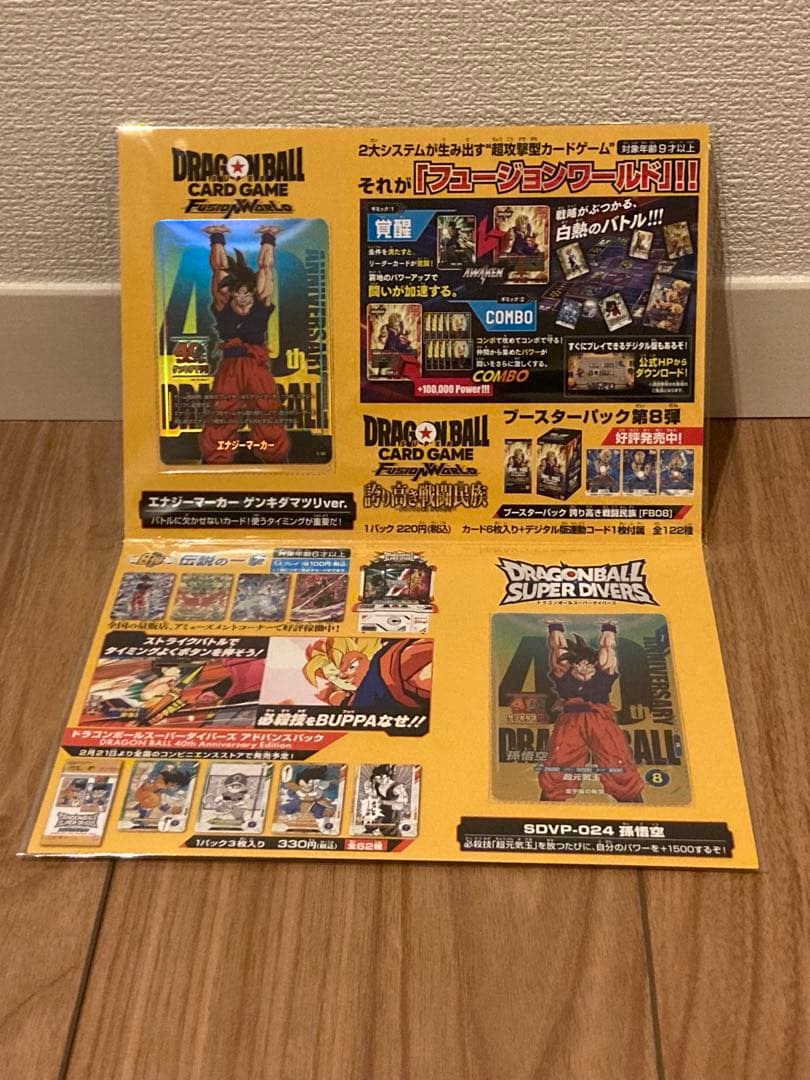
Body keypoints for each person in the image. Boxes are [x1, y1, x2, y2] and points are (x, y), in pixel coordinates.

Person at [199, 224, 291, 464]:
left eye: (247, 293)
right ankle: (216, 459)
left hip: (255, 365)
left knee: (266, 408)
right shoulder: (223, 303)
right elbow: (218, 269)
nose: (242, 297)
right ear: (232, 293)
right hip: (230, 366)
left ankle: (274, 456)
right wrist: (216, 238)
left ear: (252, 292)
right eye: (238, 293)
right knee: (222, 410)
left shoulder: (261, 302)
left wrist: (268, 238)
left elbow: (265, 267)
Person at [539, 622, 643, 802]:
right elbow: (558, 649)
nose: (584, 667)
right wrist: (555, 628)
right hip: (571, 722)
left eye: (589, 664)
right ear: (573, 665)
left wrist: (609, 629)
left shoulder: (603, 674)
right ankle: (548, 807)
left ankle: (635, 807)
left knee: (617, 760)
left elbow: (607, 649)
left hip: (600, 720)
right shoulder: (564, 675)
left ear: (595, 664)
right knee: (559, 762)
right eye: (579, 664)